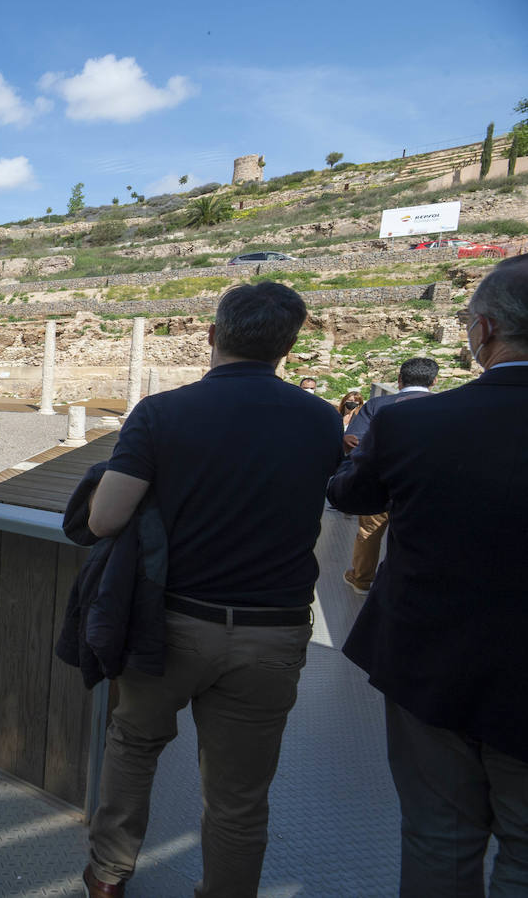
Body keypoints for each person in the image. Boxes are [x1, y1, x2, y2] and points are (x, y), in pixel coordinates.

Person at [81, 282, 343, 898]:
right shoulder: (320, 418)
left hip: (168, 626)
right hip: (272, 633)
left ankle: (108, 876)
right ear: (288, 345)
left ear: (212, 336)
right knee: (239, 796)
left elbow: (104, 521)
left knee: (134, 747)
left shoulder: (161, 413)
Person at [328, 256, 528, 895]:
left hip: (429, 663)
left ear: (486, 329)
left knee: (440, 837)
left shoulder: (413, 421)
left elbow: (354, 497)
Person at [339, 357, 437, 595]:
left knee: (369, 532)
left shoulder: (377, 405)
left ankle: (361, 579)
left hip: (381, 482)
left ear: (400, 379)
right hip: (425, 487)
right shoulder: (448, 405)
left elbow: (354, 440)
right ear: (434, 381)